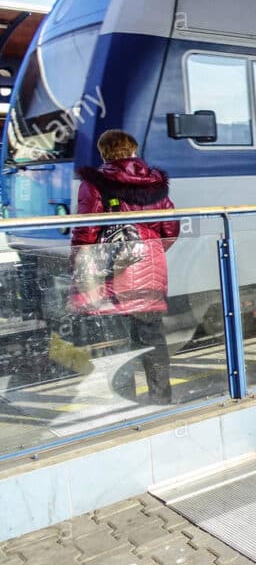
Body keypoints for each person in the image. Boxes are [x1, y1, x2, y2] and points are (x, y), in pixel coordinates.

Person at [68, 129, 180, 404]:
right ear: (133, 150)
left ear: (104, 153)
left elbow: (87, 231)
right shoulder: (154, 183)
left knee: (118, 342)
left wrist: (78, 261)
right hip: (149, 264)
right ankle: (161, 399)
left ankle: (125, 402)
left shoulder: (94, 183)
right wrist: (147, 249)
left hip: (111, 270)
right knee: (152, 336)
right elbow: (170, 228)